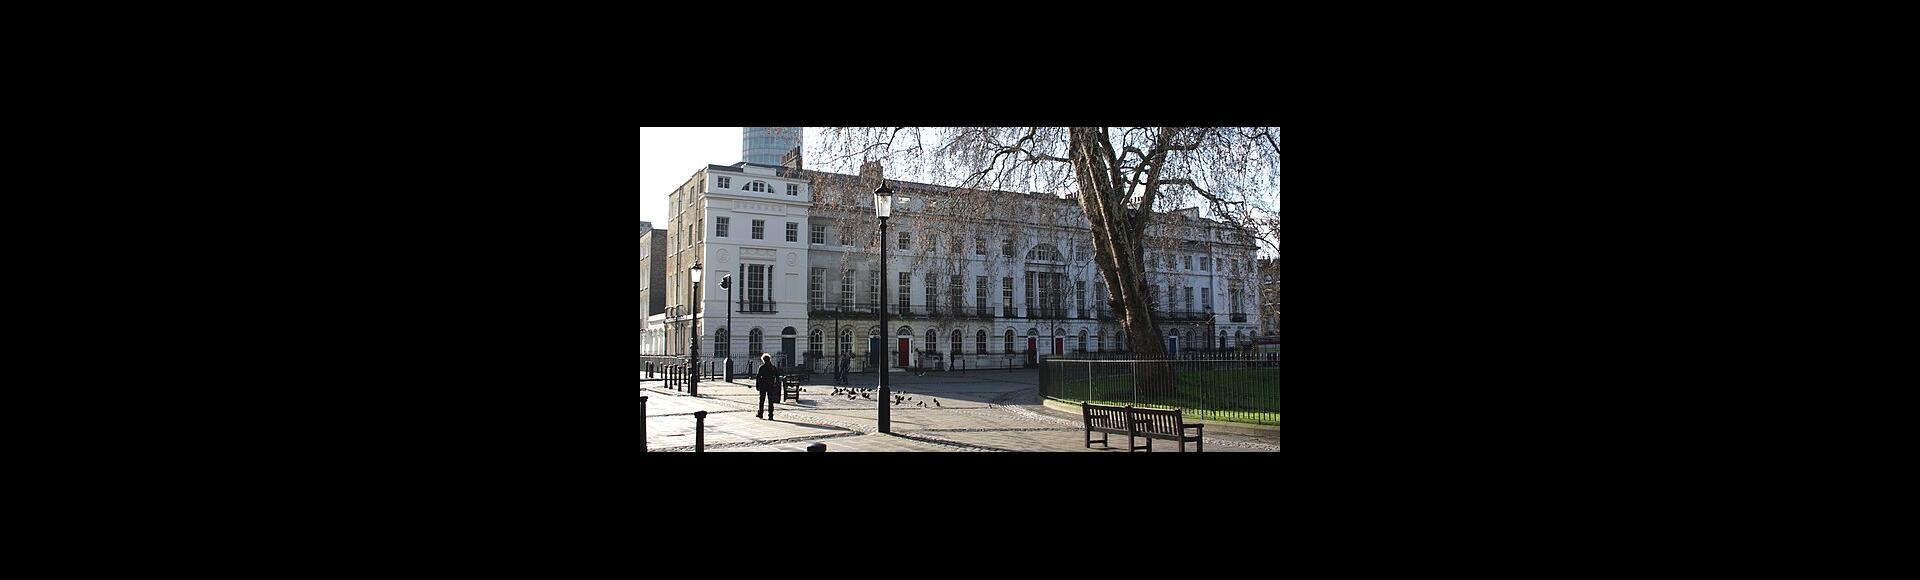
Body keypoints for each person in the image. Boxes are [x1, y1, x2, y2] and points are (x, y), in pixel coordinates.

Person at [754, 353, 780, 420]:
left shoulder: (762, 367)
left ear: (763, 360)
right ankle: (770, 415)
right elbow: (777, 376)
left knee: (762, 400)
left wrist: (757, 385)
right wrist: (776, 384)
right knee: (770, 401)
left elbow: (758, 377)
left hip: (763, 385)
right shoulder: (773, 367)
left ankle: (760, 413)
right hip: (771, 385)